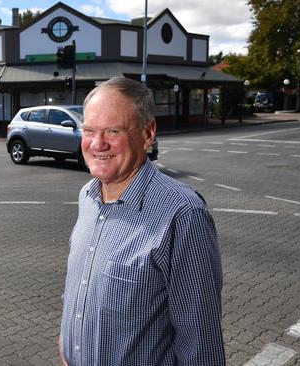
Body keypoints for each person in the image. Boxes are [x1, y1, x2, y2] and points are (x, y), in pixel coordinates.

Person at [60, 77, 225, 365]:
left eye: (113, 131)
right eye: (89, 130)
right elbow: (81, 288)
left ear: (148, 134)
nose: (98, 144)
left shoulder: (182, 213)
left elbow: (200, 339)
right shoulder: (87, 195)